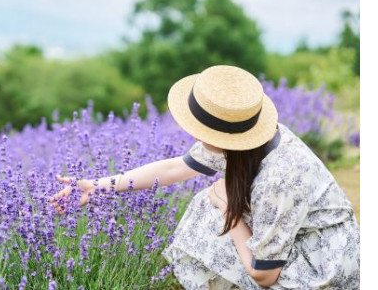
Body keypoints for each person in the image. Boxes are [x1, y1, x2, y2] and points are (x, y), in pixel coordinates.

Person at [49, 65, 360, 289]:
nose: (191, 133)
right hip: (293, 236)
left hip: (324, 264)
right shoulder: (244, 143)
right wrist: (100, 185)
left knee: (215, 209)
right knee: (205, 208)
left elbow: (265, 274)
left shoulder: (279, 177)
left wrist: (231, 214)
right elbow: (172, 169)